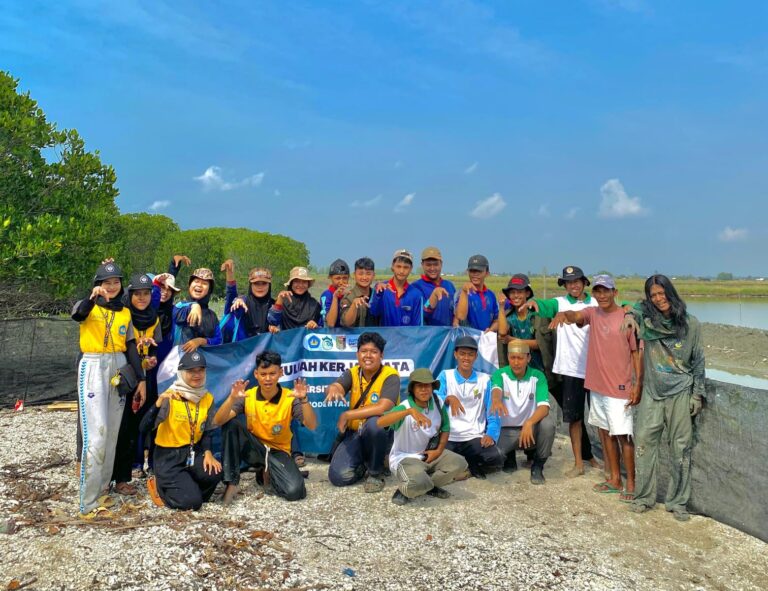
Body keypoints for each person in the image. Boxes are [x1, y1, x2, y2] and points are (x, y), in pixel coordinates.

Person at [71, 261, 146, 519]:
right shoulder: (89, 305)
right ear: (98, 284)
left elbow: (131, 345)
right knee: (97, 435)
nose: (112, 286)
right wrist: (92, 298)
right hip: (94, 364)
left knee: (112, 432)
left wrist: (141, 379)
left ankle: (103, 488)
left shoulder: (124, 312)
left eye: (116, 282)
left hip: (118, 365)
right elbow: (77, 314)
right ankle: (88, 501)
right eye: (106, 282)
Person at [627, 275, 704, 521]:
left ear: (671, 293)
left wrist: (697, 394)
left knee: (680, 447)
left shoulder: (691, 324)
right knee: (643, 442)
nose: (659, 299)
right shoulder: (647, 321)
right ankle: (643, 497)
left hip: (681, 391)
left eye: (662, 293)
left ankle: (677, 502)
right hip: (653, 392)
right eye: (654, 295)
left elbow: (698, 360)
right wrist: (629, 316)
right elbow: (634, 308)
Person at [559, 275, 642, 502]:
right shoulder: (592, 313)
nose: (602, 295)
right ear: (593, 294)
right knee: (605, 433)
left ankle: (631, 483)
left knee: (623, 435)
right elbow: (576, 316)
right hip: (597, 386)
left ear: (615, 292)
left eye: (606, 291)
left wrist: (637, 384)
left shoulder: (626, 318)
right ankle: (615, 479)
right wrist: (565, 315)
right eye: (598, 291)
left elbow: (636, 354)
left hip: (619, 388)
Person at [213, 351, 317, 503]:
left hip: (278, 451)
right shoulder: (248, 396)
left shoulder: (290, 398)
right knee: (231, 423)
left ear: (280, 373)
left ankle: (267, 472)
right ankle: (232, 483)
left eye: (272, 373)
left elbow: (312, 425)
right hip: (254, 449)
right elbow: (218, 421)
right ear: (256, 374)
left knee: (295, 492)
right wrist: (231, 398)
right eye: (263, 374)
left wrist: (304, 400)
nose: (268, 378)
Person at [529, 266, 600, 477]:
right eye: (569, 282)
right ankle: (579, 463)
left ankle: (598, 459)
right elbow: (544, 306)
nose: (573, 286)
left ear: (584, 282)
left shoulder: (596, 303)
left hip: (596, 369)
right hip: (571, 370)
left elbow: (620, 307)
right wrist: (533, 303)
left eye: (576, 281)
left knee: (601, 419)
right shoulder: (559, 303)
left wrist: (628, 308)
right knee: (574, 418)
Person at [139, 350, 222, 510]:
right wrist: (158, 404)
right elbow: (144, 428)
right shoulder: (170, 397)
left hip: (192, 451)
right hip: (168, 456)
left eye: (201, 370)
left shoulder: (207, 398)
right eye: (191, 371)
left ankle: (187, 490)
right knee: (192, 503)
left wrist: (208, 453)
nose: (197, 375)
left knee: (214, 472)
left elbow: (207, 430)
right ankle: (161, 490)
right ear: (182, 373)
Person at [378, 368, 468, 505]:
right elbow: (380, 422)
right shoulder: (405, 407)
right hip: (405, 457)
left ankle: (427, 486)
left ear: (432, 387)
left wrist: (438, 451)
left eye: (428, 385)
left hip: (428, 455)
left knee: (460, 463)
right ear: (412, 389)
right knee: (416, 482)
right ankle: (406, 489)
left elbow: (445, 427)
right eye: (420, 386)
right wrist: (409, 412)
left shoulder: (437, 402)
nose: (424, 390)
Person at [324, 332, 400, 492]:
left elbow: (383, 407)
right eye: (364, 351)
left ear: (381, 355)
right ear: (357, 354)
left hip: (382, 434)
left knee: (375, 423)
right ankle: (365, 464)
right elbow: (337, 386)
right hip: (357, 433)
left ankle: (375, 472)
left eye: (374, 352)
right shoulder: (353, 373)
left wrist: (347, 415)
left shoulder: (390, 375)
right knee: (338, 478)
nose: (368, 356)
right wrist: (332, 389)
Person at [112, 273, 162, 495]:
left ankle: (127, 475)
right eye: (137, 294)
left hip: (144, 376)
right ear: (129, 295)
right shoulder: (123, 315)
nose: (142, 298)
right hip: (123, 375)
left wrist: (151, 360)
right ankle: (112, 476)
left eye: (146, 293)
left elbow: (154, 349)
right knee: (119, 428)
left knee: (135, 426)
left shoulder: (154, 318)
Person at [435, 336, 503, 478]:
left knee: (495, 457)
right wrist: (448, 398)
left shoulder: (484, 380)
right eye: (462, 354)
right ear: (455, 354)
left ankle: (465, 467)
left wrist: (491, 434)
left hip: (473, 436)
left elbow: (492, 411)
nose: (466, 358)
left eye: (470, 354)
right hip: (449, 435)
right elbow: (434, 397)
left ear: (476, 356)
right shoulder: (446, 376)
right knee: (433, 458)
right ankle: (470, 465)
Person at [490, 341, 556, 484]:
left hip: (530, 429)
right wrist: (496, 400)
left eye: (520, 358)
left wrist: (529, 422)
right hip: (507, 430)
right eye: (512, 357)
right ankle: (509, 456)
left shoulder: (537, 376)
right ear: (508, 357)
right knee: (490, 457)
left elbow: (544, 407)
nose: (516, 362)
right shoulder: (500, 374)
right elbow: (496, 389)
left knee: (548, 424)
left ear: (528, 358)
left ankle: (537, 465)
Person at [220, 259, 276, 342]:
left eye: (264, 283)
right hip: (243, 348)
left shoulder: (275, 306)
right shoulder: (242, 303)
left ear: (269, 285)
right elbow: (231, 295)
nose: (260, 287)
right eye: (256, 283)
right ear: (251, 285)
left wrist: (276, 328)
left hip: (267, 348)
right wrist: (229, 273)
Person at [498, 274, 544, 371]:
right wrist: (501, 307)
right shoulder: (508, 316)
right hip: (516, 369)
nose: (516, 295)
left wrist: (512, 340)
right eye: (512, 292)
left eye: (519, 292)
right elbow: (502, 333)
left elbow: (540, 344)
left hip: (537, 368)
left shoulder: (537, 314)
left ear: (527, 293)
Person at [368, 249, 424, 326]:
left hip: (408, 334)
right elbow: (374, 313)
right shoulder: (380, 288)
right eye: (398, 266)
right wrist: (378, 295)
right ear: (392, 266)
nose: (401, 271)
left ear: (411, 269)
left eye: (406, 267)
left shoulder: (416, 294)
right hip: (385, 334)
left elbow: (417, 326)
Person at [173, 267, 223, 351]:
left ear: (209, 290)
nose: (199, 285)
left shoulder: (212, 316)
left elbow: (218, 340)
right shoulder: (180, 306)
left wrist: (201, 341)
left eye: (204, 283)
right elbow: (176, 316)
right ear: (190, 285)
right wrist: (194, 305)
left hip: (204, 358)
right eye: (196, 281)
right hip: (180, 356)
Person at [411, 247, 456, 326]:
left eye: (436, 264)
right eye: (428, 265)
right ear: (422, 265)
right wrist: (434, 295)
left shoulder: (449, 285)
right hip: (427, 333)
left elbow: (455, 311)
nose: (432, 268)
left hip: (448, 333)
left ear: (441, 264)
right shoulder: (415, 287)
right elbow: (422, 313)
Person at [455, 254, 499, 332]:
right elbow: (461, 316)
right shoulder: (461, 293)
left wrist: (491, 329)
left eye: (479, 271)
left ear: (487, 273)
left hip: (485, 337)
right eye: (472, 271)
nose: (475, 274)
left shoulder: (491, 295)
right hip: (468, 338)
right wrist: (464, 292)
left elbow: (496, 320)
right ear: (468, 272)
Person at [340, 257, 378, 328]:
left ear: (373, 275)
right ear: (354, 275)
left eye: (368, 274)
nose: (364, 277)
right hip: (358, 335)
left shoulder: (377, 295)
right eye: (360, 274)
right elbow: (346, 323)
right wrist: (354, 305)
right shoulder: (348, 297)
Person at [320, 259, 350, 328]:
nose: (341, 282)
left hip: (346, 333)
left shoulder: (350, 294)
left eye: (345, 278)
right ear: (330, 277)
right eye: (337, 278)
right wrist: (335, 297)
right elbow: (330, 324)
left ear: (349, 278)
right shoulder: (326, 296)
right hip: (329, 333)